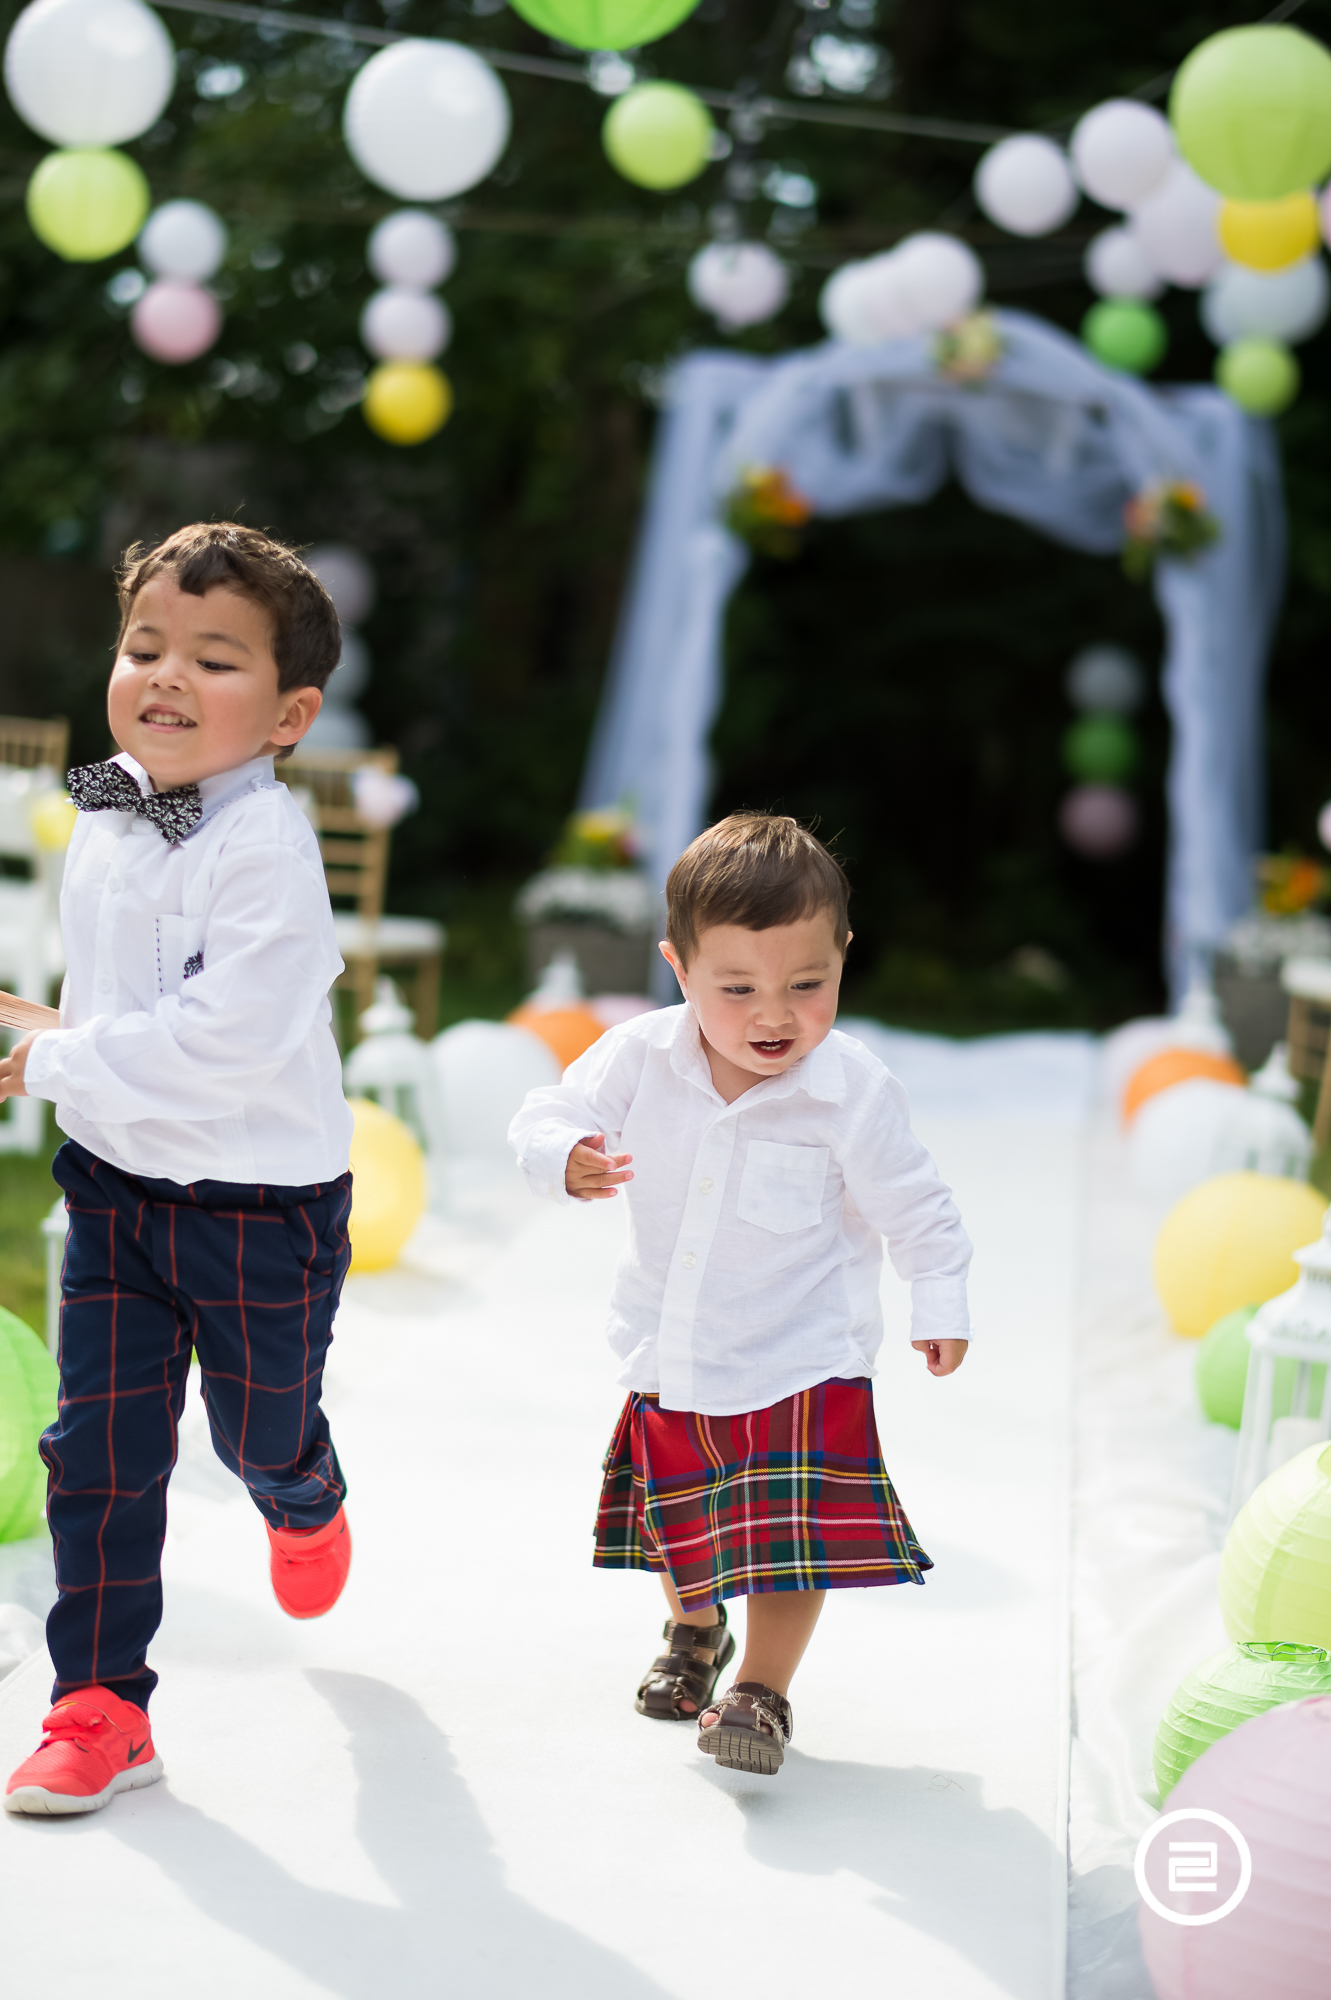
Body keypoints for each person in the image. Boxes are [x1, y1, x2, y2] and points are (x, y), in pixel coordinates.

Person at [0, 522, 355, 1818]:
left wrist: (53, 1062)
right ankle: (100, 1704)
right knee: (98, 1448)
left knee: (254, 1427)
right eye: (144, 644)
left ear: (288, 716)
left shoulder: (264, 849)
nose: (164, 673)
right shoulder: (110, 804)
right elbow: (129, 986)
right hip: (115, 1186)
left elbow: (229, 1041)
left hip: (259, 1203)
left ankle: (301, 1487)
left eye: (212, 658)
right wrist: (58, 1024)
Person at [509, 812, 972, 1777]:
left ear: (842, 957)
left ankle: (760, 1688)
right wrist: (564, 1154)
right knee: (685, 1521)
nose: (774, 1015)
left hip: (805, 1354)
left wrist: (938, 1299)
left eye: (807, 984)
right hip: (676, 1348)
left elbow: (916, 1203)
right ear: (679, 970)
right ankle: (694, 1631)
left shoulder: (851, 1091)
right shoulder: (639, 1056)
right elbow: (547, 1110)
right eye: (737, 989)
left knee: (790, 1538)